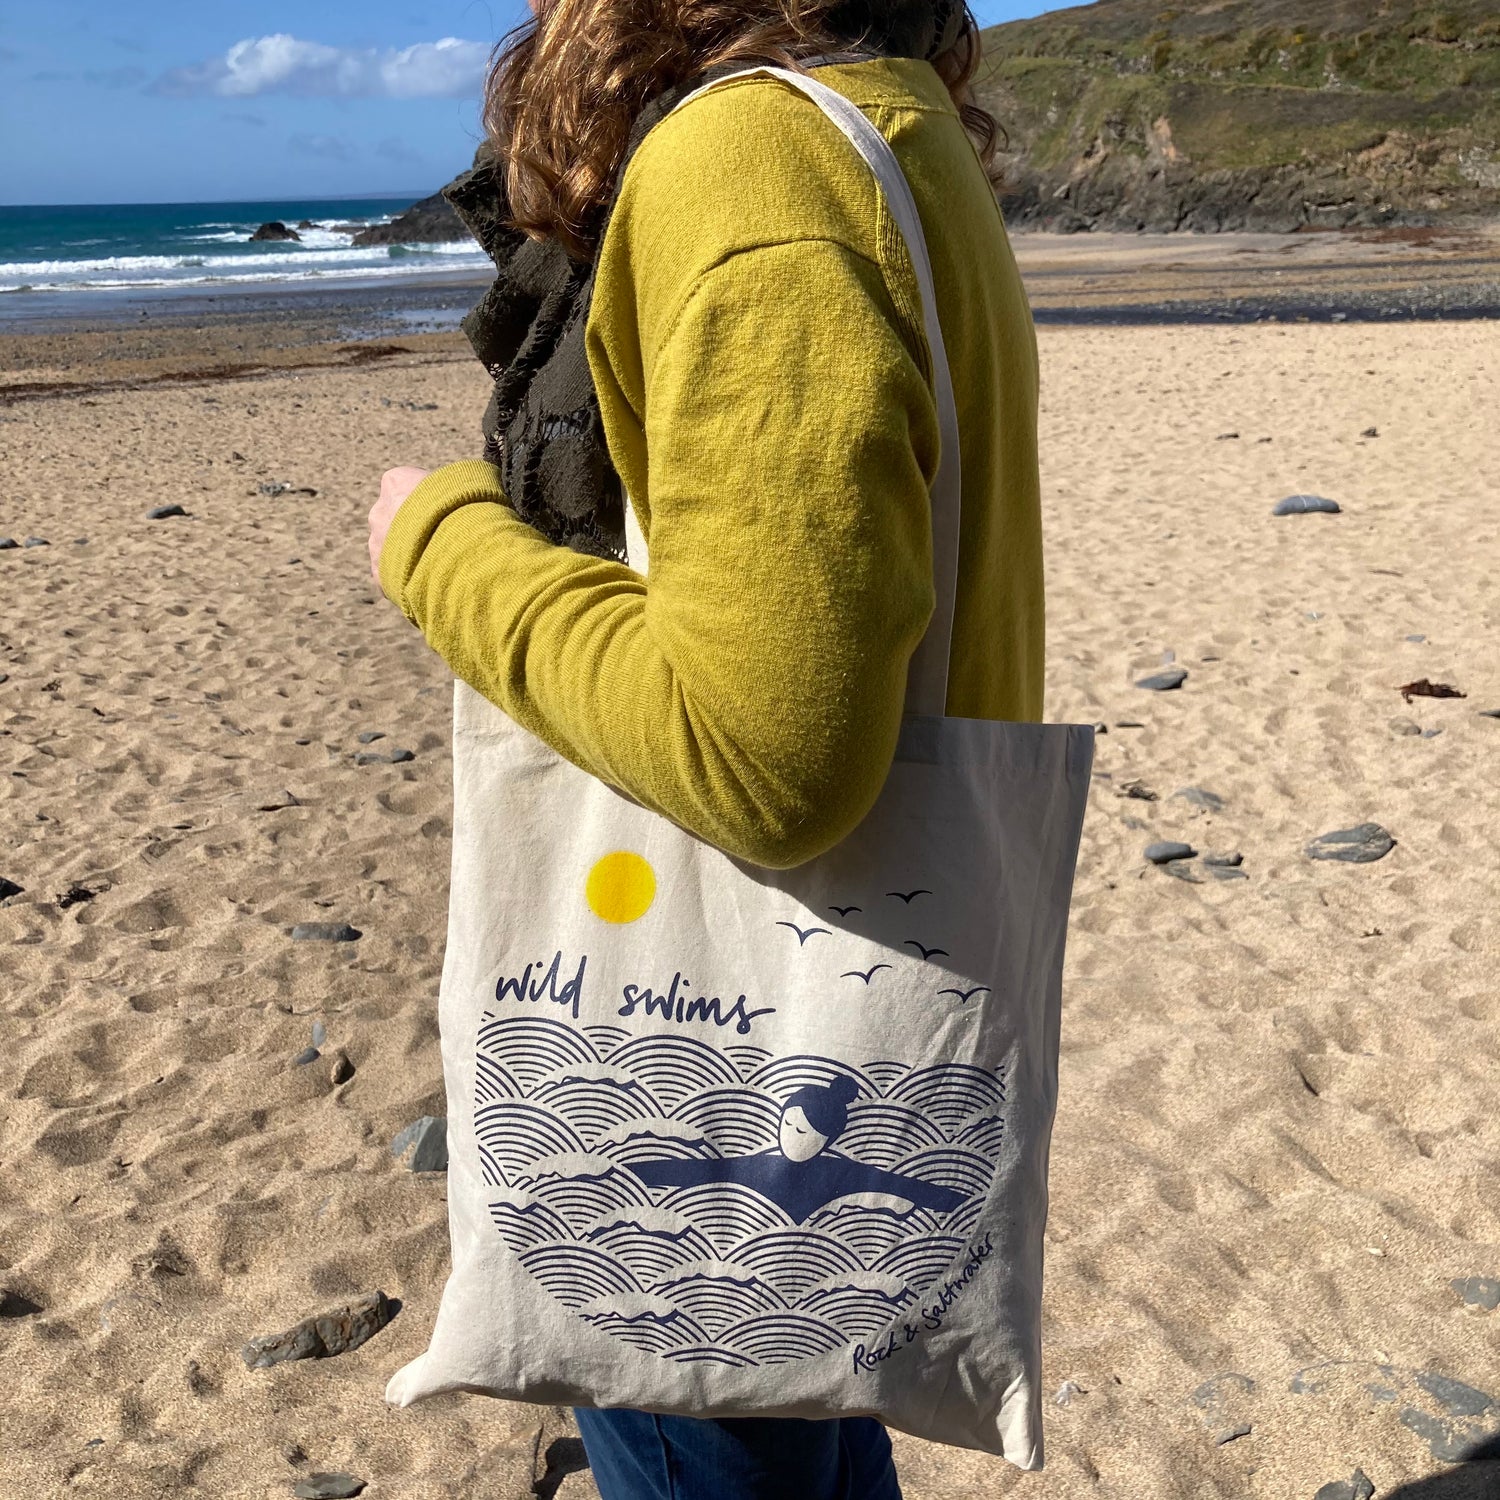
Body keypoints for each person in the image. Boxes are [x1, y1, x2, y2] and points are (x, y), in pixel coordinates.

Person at [366, 0, 1044, 1491]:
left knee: (707, 1413)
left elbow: (767, 759)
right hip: (853, 993)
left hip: (705, 1008)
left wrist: (432, 536)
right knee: (807, 1417)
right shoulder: (887, 123)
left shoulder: (749, 163)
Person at [625, 1076, 969, 1222]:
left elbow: (907, 1188)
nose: (790, 1135)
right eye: (787, 1124)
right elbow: (696, 1173)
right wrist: (628, 1174)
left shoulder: (845, 1173)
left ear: (826, 1141)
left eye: (802, 1130)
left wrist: (961, 1204)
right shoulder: (756, 1165)